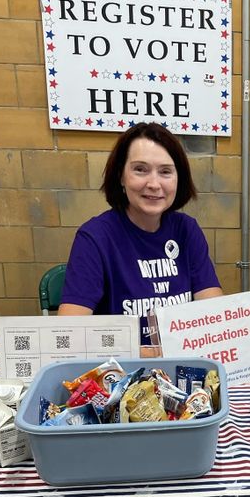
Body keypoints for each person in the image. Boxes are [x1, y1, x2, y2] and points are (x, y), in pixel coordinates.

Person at [59, 122, 223, 344]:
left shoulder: (187, 230)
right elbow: (69, 333)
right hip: (120, 372)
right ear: (121, 176)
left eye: (165, 171)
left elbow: (215, 317)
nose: (154, 184)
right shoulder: (95, 237)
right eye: (140, 170)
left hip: (181, 367)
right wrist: (150, 353)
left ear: (178, 178)